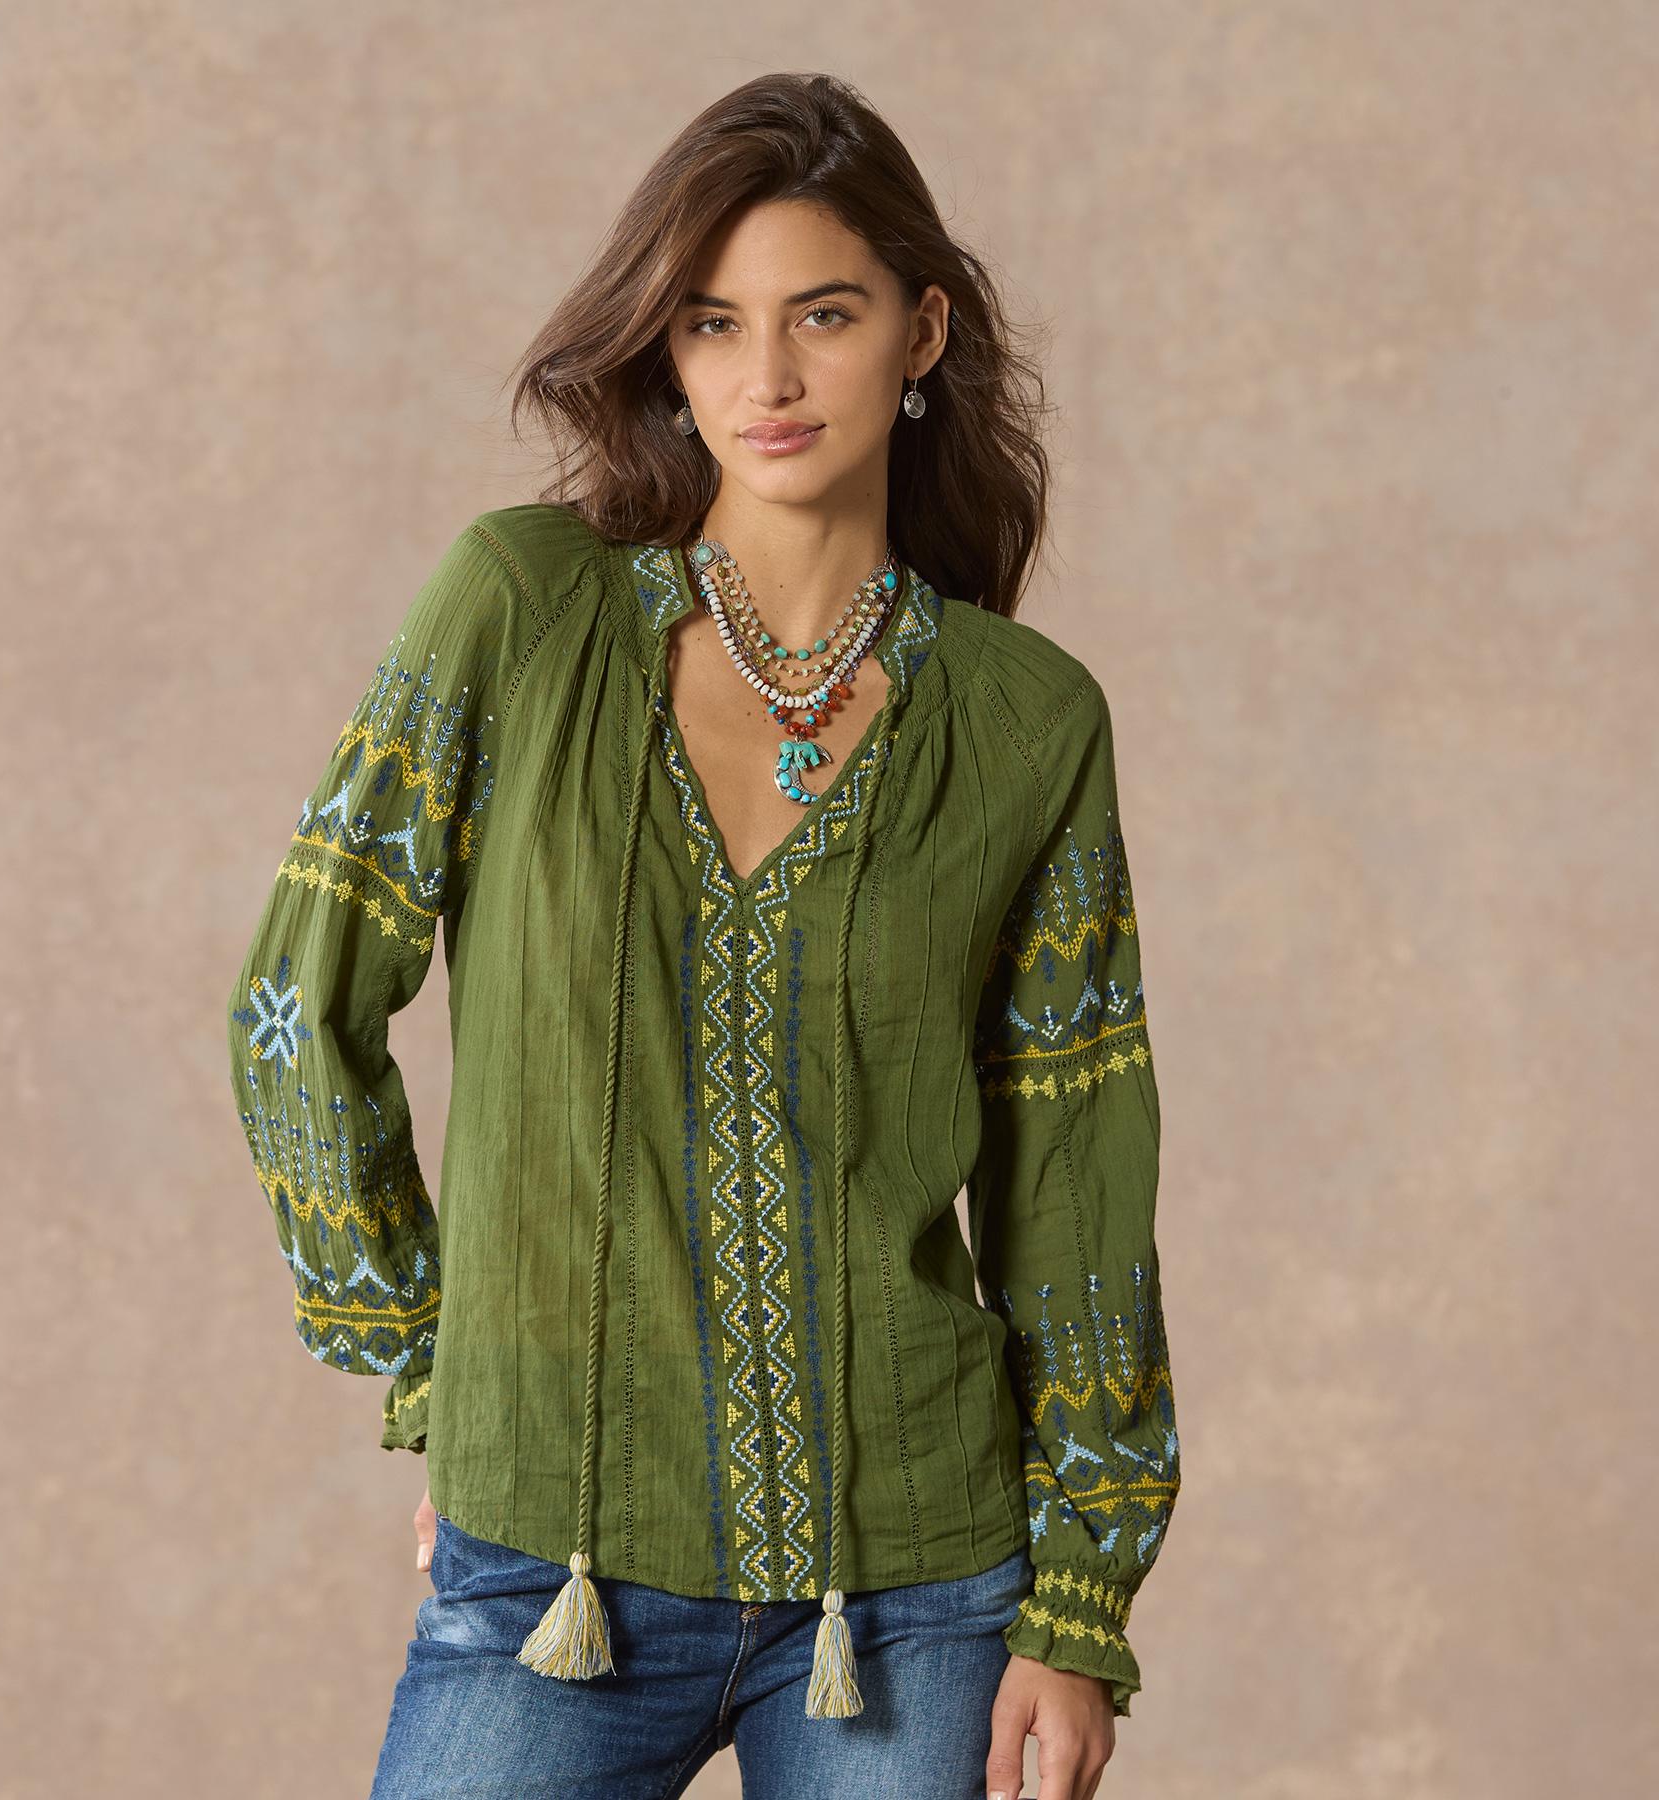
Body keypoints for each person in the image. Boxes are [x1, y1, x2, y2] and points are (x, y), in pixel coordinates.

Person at [225, 70, 1181, 1800]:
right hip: (558, 1575)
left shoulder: (1027, 722)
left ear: (922, 333)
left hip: (920, 1592)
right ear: (665, 351)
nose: (768, 377)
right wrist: (437, 1369)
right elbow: (296, 1008)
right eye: (714, 322)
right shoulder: (521, 616)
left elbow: (1074, 1176)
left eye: (826, 314)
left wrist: (1079, 1606)